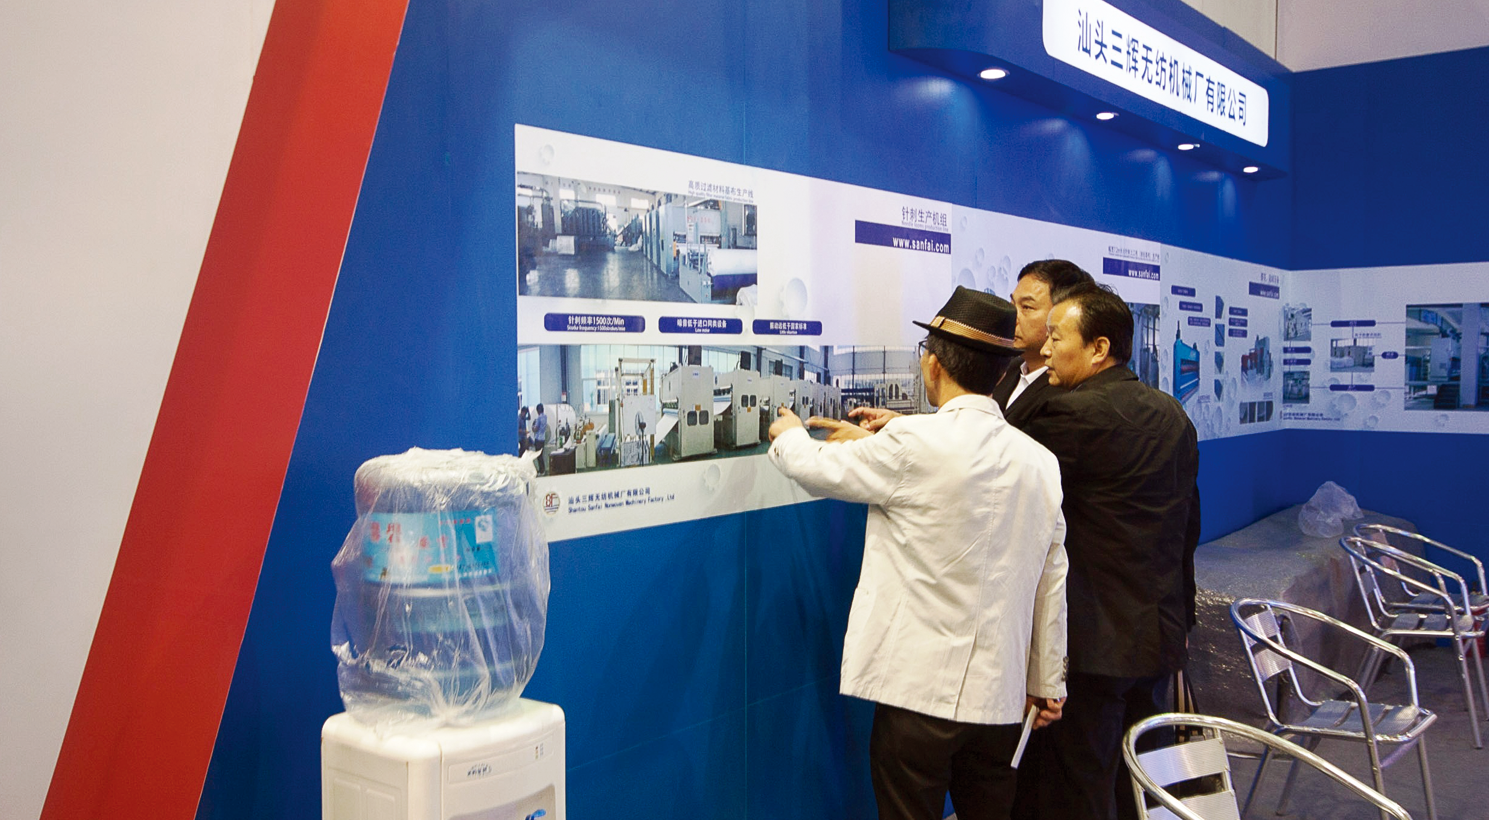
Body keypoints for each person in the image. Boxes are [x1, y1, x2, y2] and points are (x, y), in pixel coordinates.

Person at [767, 287, 1070, 820]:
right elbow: (1052, 580)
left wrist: (790, 434)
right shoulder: (1040, 463)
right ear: (1001, 373)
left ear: (932, 365)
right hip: (999, 700)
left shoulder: (913, 442)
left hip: (918, 696)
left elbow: (815, 469)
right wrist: (1046, 683)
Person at [1015, 284, 1201, 820]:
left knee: (1081, 784)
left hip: (1094, 644)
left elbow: (994, 463)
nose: (1045, 349)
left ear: (1099, 348)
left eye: (1056, 337)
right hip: (1157, 636)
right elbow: (1187, 526)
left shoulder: (1071, 416)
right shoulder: (1172, 415)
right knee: (1139, 780)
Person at [990, 260, 1096, 428]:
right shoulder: (1004, 368)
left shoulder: (1070, 391)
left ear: (1062, 314)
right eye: (1012, 304)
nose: (1012, 317)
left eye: (1027, 307)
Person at [530, 403, 549, 474]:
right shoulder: (545, 417)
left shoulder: (538, 418)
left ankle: (541, 470)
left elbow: (536, 428)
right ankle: (543, 470)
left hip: (538, 438)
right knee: (541, 455)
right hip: (543, 438)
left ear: (538, 410)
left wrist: (533, 427)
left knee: (538, 455)